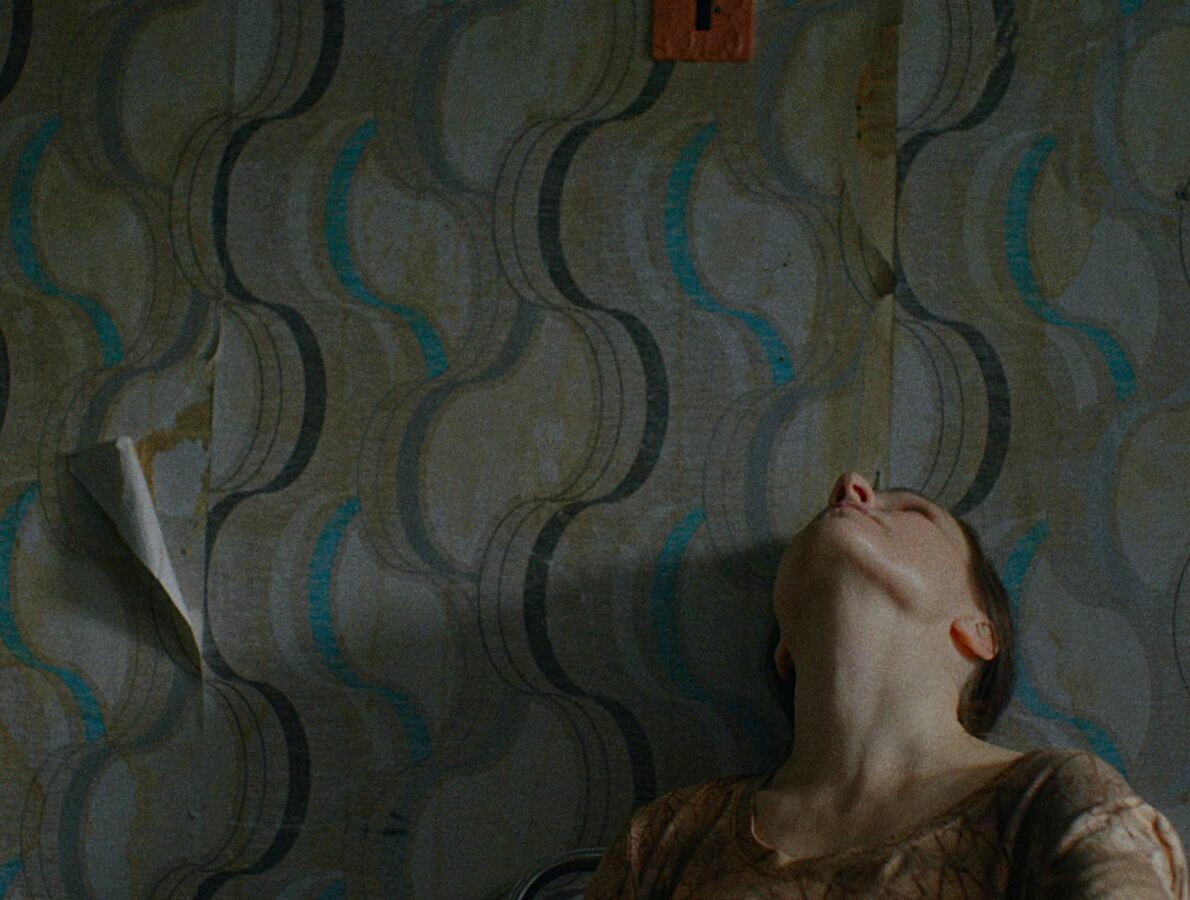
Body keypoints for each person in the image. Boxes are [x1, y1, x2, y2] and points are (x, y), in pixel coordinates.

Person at [585, 472, 1187, 898]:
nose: (849, 484)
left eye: (914, 512)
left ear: (979, 629)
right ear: (784, 649)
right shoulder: (666, 837)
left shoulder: (1051, 799)